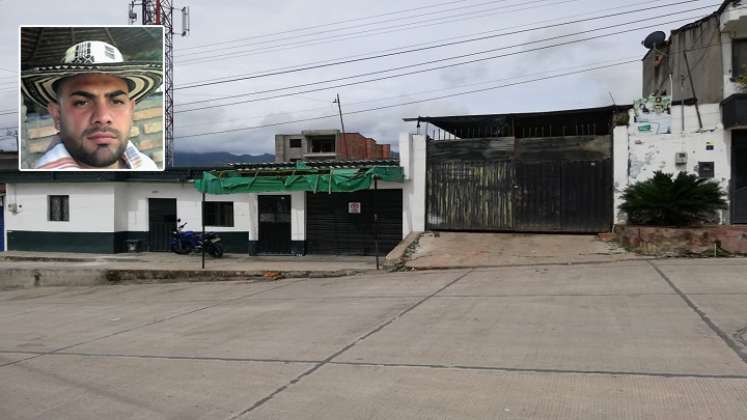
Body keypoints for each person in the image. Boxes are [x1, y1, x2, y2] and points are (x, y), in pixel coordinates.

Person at [21, 40, 163, 170]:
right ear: (57, 114)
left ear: (131, 110)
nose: (102, 117)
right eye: (82, 102)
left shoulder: (147, 166)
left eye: (117, 101)